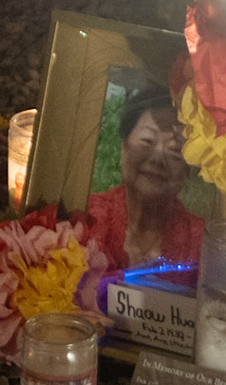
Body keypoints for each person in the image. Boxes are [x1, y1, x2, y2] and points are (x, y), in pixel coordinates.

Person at [85, 90, 207, 268]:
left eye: (174, 149)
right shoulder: (87, 217)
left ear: (187, 169)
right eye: (147, 141)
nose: (158, 158)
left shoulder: (202, 242)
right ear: (123, 148)